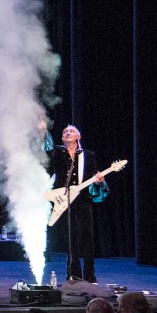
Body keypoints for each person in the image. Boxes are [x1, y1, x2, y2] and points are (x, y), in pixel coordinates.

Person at [40, 120, 109, 283]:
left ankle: (90, 276)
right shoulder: (58, 152)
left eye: (71, 131)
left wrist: (98, 181)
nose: (68, 133)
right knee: (71, 239)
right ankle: (74, 277)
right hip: (64, 201)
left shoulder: (89, 155)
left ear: (78, 136)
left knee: (88, 237)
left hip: (83, 200)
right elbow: (47, 148)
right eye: (65, 132)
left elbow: (93, 176)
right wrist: (43, 132)